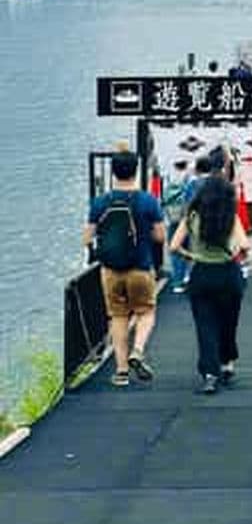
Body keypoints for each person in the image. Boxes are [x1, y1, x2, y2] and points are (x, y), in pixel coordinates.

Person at [83, 150, 166, 387]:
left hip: (110, 270)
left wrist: (103, 247)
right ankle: (137, 350)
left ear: (113, 171)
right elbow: (160, 236)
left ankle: (120, 372)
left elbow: (87, 236)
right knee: (146, 312)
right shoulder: (147, 200)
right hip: (140, 267)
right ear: (136, 171)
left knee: (117, 317)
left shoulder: (100, 202)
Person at [169, 176, 250, 393]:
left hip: (202, 275)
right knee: (228, 322)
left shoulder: (192, 217)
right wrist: (235, 255)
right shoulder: (230, 217)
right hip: (228, 275)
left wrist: (192, 255)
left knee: (205, 325)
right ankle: (227, 362)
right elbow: (244, 245)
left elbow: (174, 246)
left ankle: (210, 374)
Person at [162, 159, 191, 293]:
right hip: (186, 218)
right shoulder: (190, 176)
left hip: (172, 217)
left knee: (174, 249)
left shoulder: (167, 176)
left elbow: (162, 200)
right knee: (188, 246)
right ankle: (187, 274)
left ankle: (177, 282)